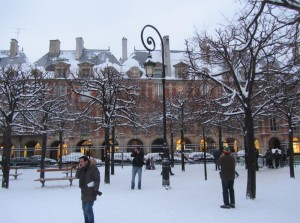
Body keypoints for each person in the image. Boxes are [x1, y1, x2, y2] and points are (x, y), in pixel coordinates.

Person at [76, 156, 101, 223]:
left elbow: (97, 180)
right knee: (84, 209)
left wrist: (96, 189)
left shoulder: (93, 168)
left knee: (88, 209)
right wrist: (79, 168)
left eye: (82, 161)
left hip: (91, 192)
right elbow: (77, 176)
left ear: (86, 161)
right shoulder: (82, 168)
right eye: (80, 161)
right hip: (84, 191)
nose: (80, 163)